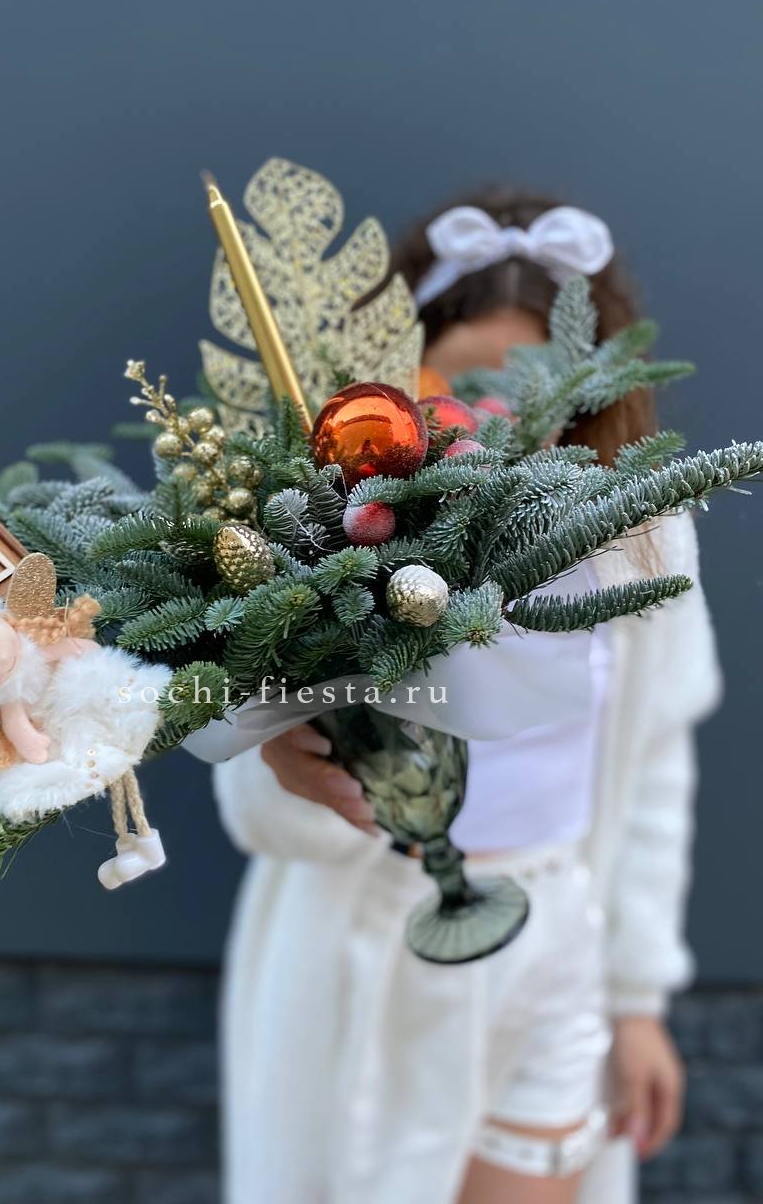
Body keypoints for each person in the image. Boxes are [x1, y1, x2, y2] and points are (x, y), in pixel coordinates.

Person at [212, 187, 723, 1204]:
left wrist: (635, 998)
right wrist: (283, 765)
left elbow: (654, 773)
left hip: (556, 944)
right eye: (464, 379)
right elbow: (263, 801)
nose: (498, 412)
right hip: (375, 958)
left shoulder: (641, 539)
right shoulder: (337, 535)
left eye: (530, 380)